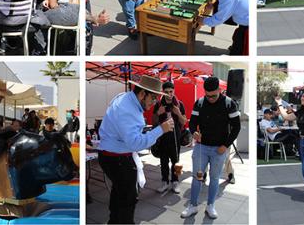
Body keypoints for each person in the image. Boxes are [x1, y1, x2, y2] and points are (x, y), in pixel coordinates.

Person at [97, 75, 174, 224]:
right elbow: (135, 143)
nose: (155, 102)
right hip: (117, 159)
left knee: (119, 193)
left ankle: (113, 221)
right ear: (142, 94)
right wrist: (161, 130)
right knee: (128, 199)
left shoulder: (125, 98)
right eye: (153, 98)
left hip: (111, 155)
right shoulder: (128, 110)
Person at [181, 77, 242, 219]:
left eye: (213, 95)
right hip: (201, 147)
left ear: (219, 91)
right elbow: (192, 123)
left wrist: (225, 145)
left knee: (215, 179)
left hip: (219, 149)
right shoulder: (200, 103)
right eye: (207, 95)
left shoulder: (229, 104)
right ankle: (193, 205)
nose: (210, 98)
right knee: (197, 177)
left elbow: (236, 127)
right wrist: (193, 132)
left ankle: (210, 205)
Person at [152, 81, 185, 193]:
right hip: (163, 138)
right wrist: (158, 113)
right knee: (164, 162)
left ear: (174, 91)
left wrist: (178, 113)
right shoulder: (158, 105)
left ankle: (175, 182)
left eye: (171, 91)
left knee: (176, 162)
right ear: (163, 92)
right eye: (166, 92)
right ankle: (165, 182)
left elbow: (184, 121)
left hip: (176, 138)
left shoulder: (179, 104)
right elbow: (154, 122)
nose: (169, 94)